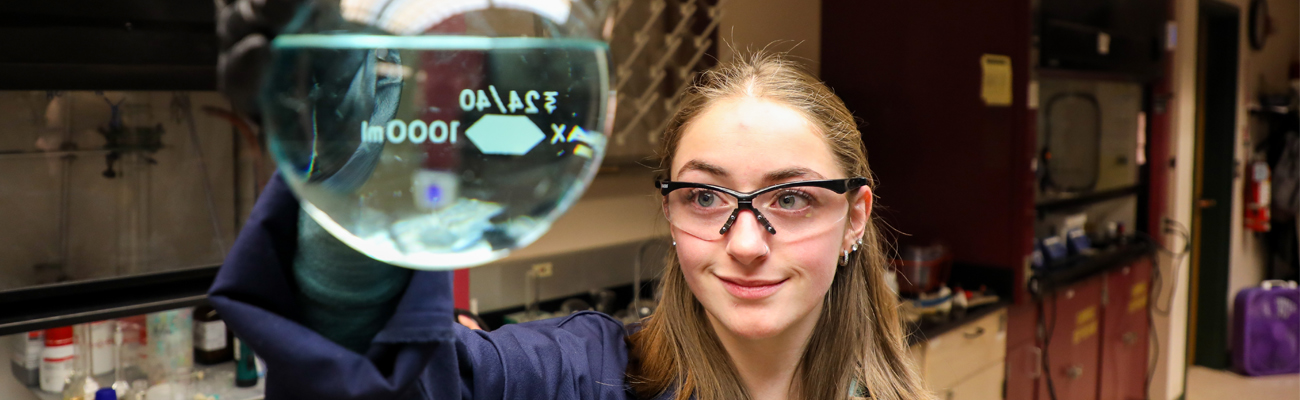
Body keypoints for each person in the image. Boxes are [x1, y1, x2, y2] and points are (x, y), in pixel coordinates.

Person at [211, 6, 929, 398]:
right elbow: (381, 377)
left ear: (855, 218)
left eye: (793, 198)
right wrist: (350, 184)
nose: (745, 243)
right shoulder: (572, 378)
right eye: (705, 197)